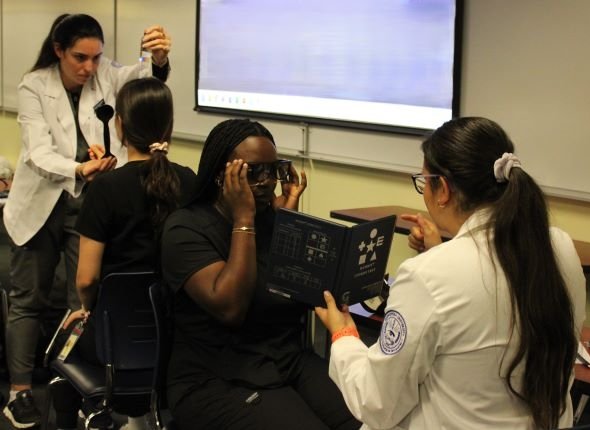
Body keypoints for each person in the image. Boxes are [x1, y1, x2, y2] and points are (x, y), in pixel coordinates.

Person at [315, 117, 586, 430]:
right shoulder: (558, 246)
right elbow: (490, 296)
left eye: (423, 182)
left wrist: (343, 335)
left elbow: (376, 403)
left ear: (442, 189)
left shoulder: (427, 276)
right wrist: (437, 254)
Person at [2, 13, 172, 428]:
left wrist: (160, 59)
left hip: (89, 205)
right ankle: (20, 392)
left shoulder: (105, 74)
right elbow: (38, 152)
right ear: (58, 50)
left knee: (84, 300)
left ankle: (75, 386)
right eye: (80, 58)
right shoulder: (34, 85)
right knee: (29, 298)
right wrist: (79, 168)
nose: (90, 68)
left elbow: (142, 83)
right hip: (41, 202)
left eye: (96, 57)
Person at [161, 118, 360, 430]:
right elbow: (230, 308)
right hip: (216, 378)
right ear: (220, 175)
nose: (267, 181)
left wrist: (292, 223)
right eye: (253, 172)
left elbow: (296, 288)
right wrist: (244, 218)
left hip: (284, 360)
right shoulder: (185, 228)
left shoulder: (273, 218)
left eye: (273, 170)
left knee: (368, 419)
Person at [52, 77, 196, 430]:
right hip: (181, 343)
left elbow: (86, 279)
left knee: (59, 352)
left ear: (119, 126)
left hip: (114, 345)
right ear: (170, 126)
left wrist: (86, 308)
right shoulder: (190, 183)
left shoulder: (105, 189)